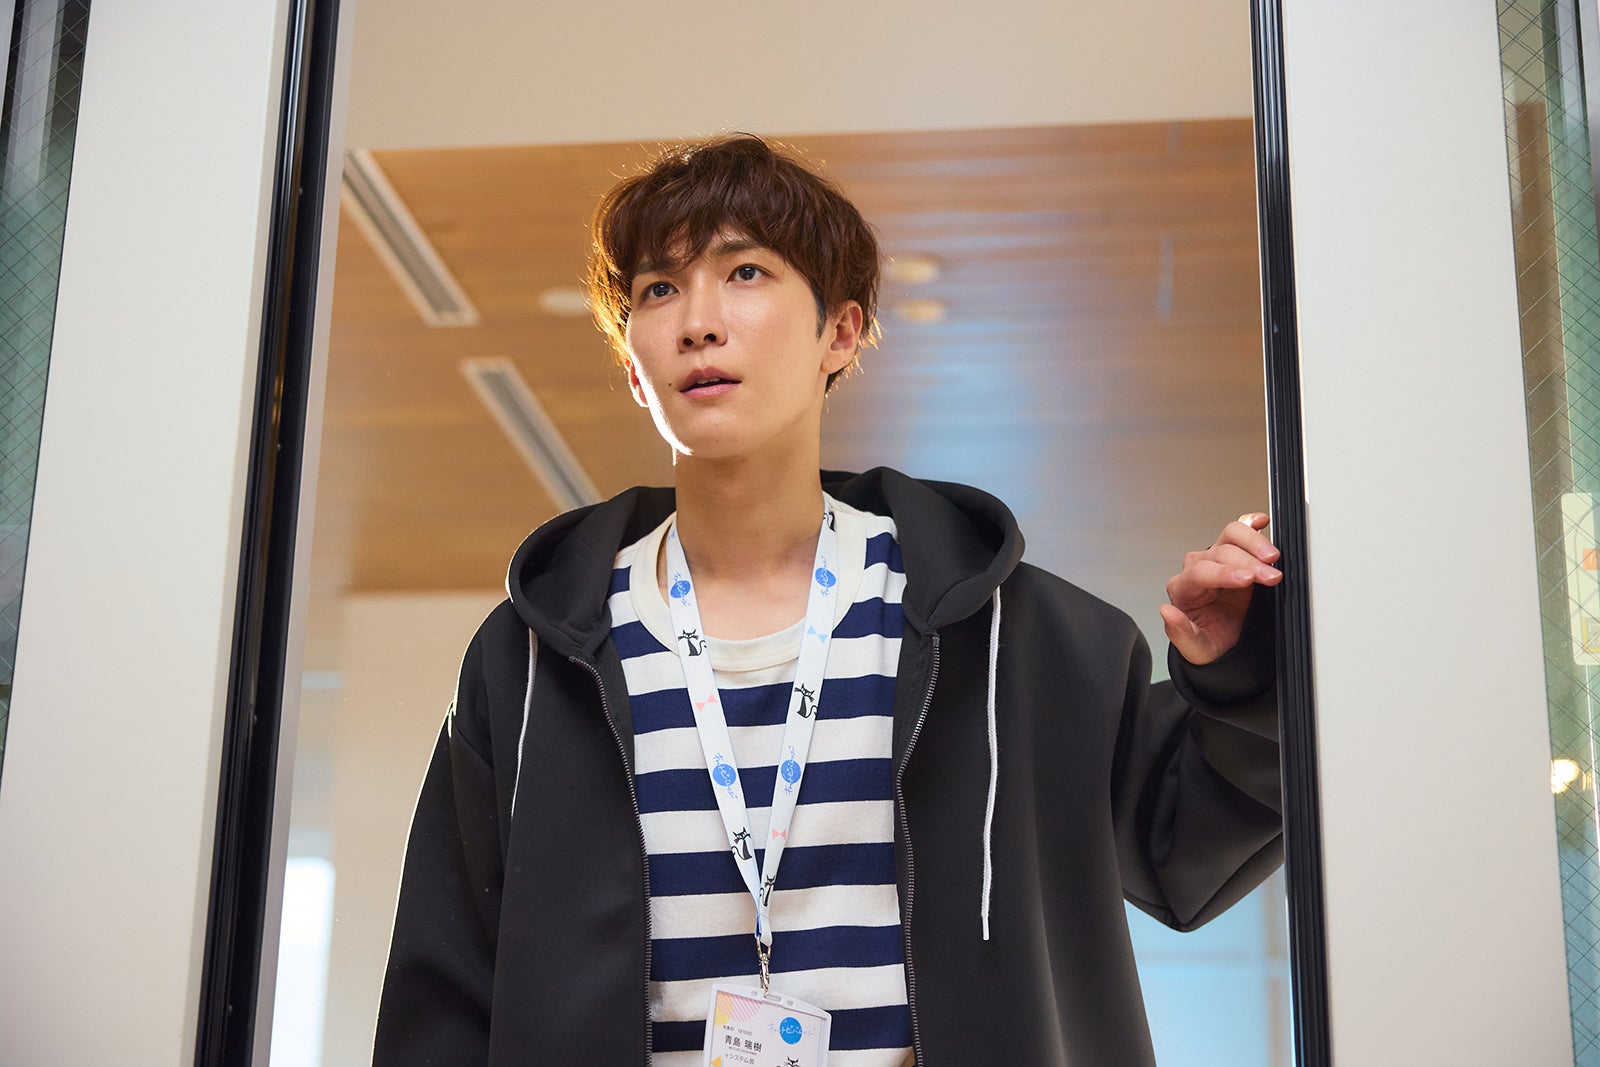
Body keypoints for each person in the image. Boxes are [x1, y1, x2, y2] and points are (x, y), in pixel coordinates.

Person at [373, 133, 1283, 1067]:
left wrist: (1236, 673)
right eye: (658, 288)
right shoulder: (536, 654)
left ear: (840, 333)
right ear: (635, 365)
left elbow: (1186, 855)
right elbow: (441, 994)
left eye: (746, 272)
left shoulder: (1005, 631)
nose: (697, 322)